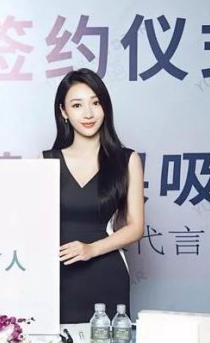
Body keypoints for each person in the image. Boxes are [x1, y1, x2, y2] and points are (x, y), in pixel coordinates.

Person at [42, 68, 144, 324]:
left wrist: (91, 249)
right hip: (54, 274)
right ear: (63, 112)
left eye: (95, 103)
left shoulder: (127, 160)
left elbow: (135, 227)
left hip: (106, 273)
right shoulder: (46, 162)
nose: (88, 113)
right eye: (77, 105)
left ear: (105, 107)